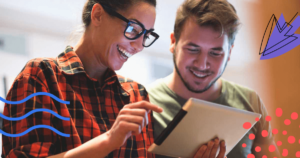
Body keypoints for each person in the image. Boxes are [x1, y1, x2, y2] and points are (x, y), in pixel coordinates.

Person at [1, 0, 164, 157]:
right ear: (98, 15)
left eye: (146, 37)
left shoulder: (136, 95)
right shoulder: (42, 76)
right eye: (133, 30)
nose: (139, 46)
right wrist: (108, 140)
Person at [147, 0, 281, 158]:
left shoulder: (250, 102)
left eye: (215, 53)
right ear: (173, 42)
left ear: (229, 53)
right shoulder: (145, 103)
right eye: (192, 49)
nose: (202, 64)